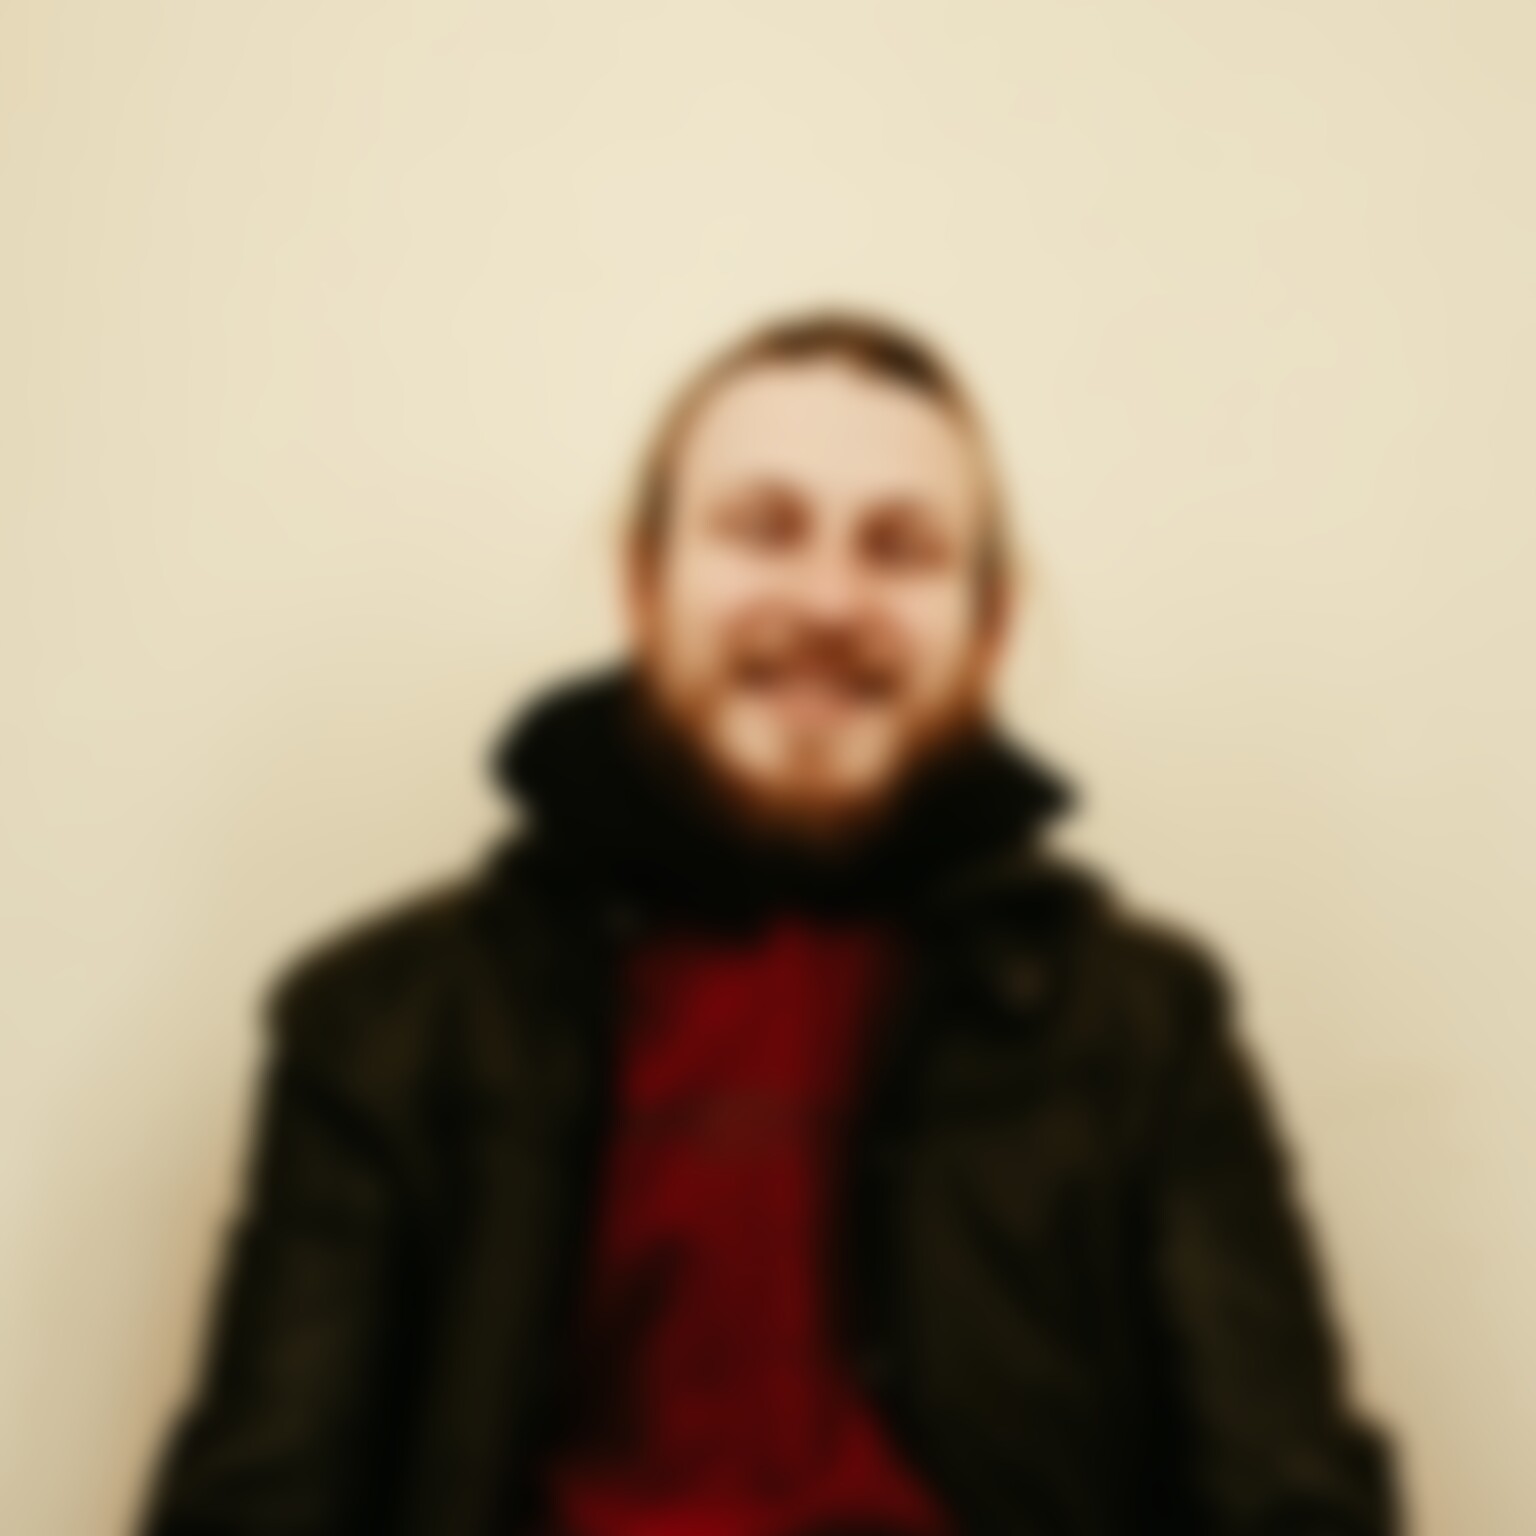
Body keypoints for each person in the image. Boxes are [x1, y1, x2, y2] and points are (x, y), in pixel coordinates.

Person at [133, 309, 1401, 1536]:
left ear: (990, 627)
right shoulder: (382, 1024)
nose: (831, 598)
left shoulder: (1147, 1030)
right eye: (762, 529)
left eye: (901, 548)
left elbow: (1295, 1505)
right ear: (644, 582)